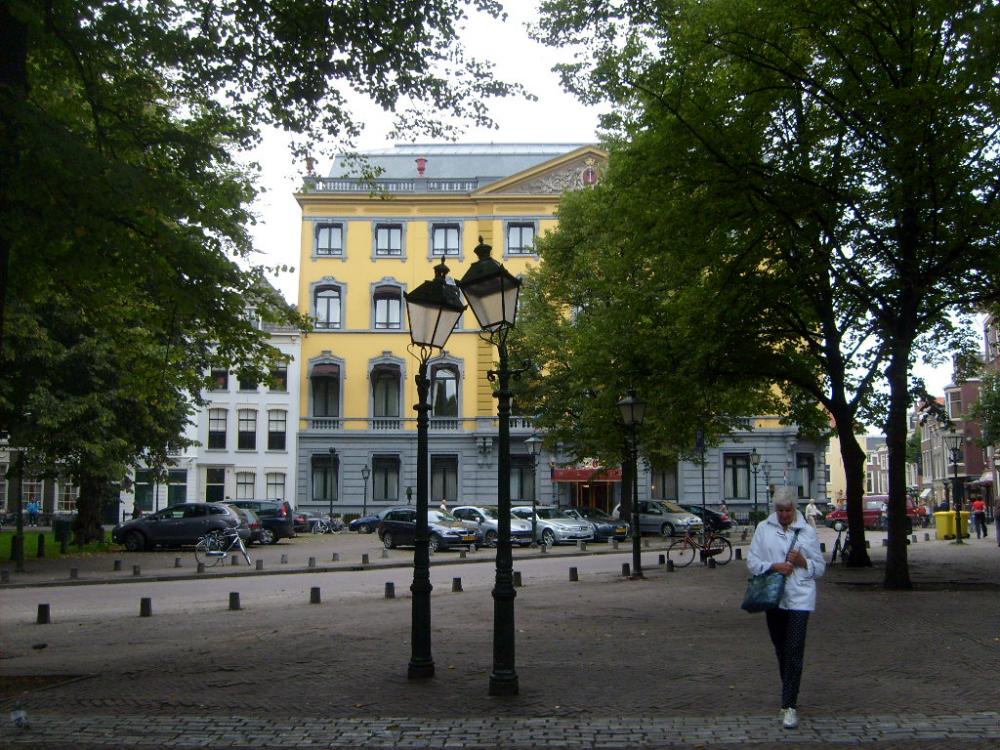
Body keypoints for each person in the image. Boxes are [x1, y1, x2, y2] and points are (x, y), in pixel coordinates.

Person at [747, 487, 826, 730]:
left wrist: (804, 563)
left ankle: (789, 705)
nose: (784, 515)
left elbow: (820, 567)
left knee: (794, 650)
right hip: (774, 598)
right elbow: (752, 562)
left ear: (795, 509)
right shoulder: (763, 529)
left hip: (800, 598)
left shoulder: (807, 532)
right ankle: (789, 691)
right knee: (781, 649)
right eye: (780, 510)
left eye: (788, 510)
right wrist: (774, 566)